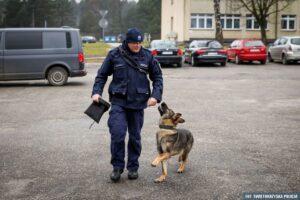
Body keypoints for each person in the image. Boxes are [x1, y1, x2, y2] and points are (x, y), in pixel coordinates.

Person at [91, 28, 163, 182]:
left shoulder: (148, 56)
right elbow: (101, 75)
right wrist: (96, 92)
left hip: (138, 104)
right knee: (117, 134)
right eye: (133, 43)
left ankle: (133, 167)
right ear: (126, 41)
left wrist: (155, 96)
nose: (137, 45)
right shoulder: (114, 55)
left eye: (139, 42)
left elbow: (157, 77)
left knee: (135, 137)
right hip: (119, 102)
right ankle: (117, 167)